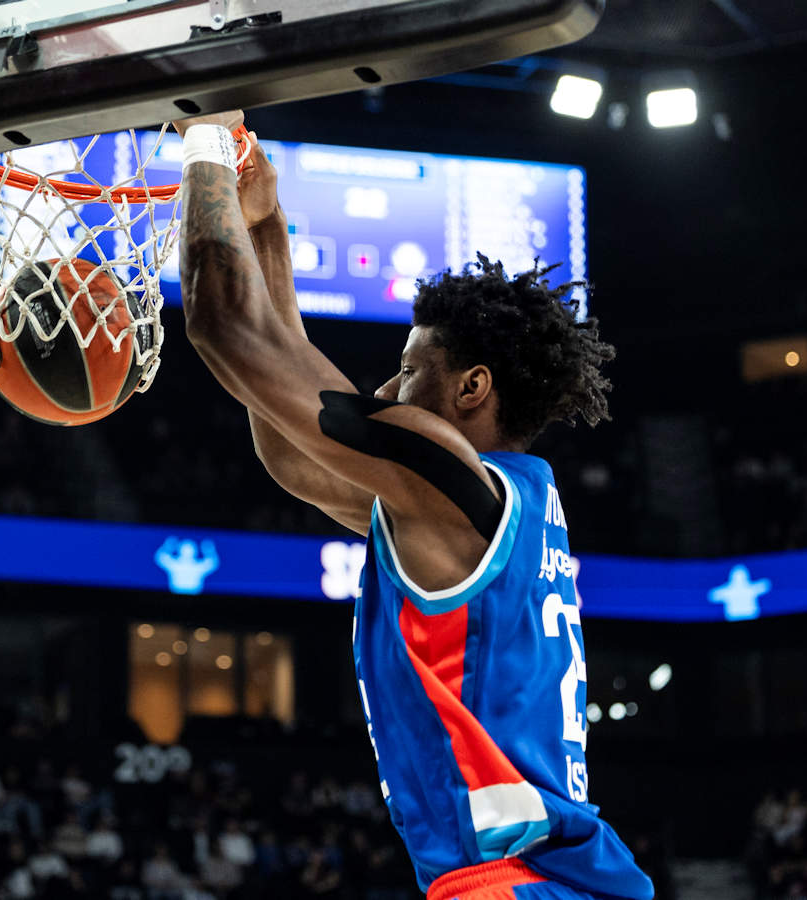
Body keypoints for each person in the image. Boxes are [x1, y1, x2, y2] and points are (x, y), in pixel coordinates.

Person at [173, 111, 653, 900]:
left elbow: (224, 327)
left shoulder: (446, 478)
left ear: (471, 387)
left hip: (517, 884)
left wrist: (204, 144)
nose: (389, 389)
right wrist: (264, 229)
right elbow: (289, 451)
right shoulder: (492, 503)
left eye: (408, 368)